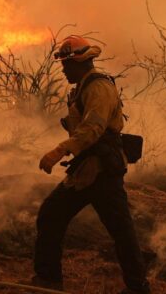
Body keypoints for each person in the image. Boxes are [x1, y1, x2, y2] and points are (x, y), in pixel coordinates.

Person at [32, 35, 150, 294]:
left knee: (121, 231)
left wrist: (58, 152)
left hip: (102, 171)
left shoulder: (98, 88)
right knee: (52, 214)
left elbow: (92, 128)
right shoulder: (84, 87)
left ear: (80, 63)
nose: (63, 69)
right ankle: (48, 280)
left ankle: (138, 288)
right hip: (88, 170)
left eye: (66, 64)